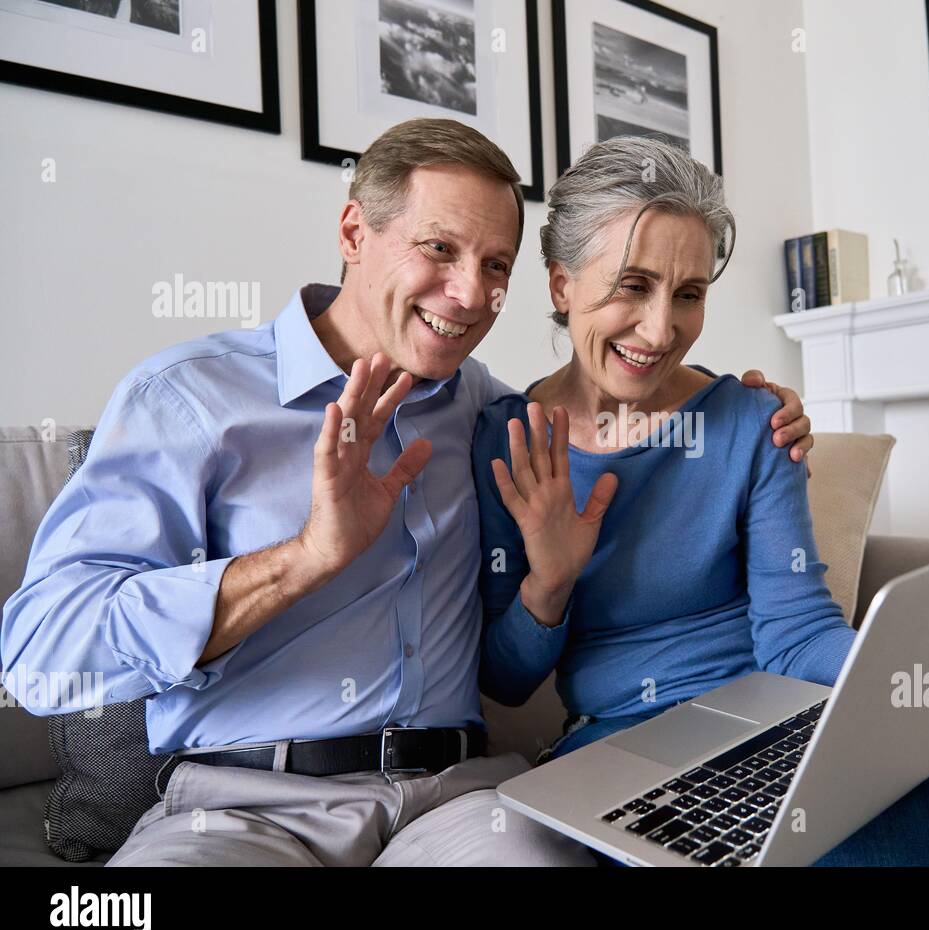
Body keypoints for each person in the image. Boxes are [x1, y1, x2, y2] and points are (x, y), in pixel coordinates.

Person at [0, 118, 813, 867]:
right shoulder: (189, 399)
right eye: (439, 249)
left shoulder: (490, 414)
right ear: (355, 232)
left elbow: (619, 393)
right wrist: (302, 560)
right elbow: (39, 656)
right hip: (243, 808)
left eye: (495, 266)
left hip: (456, 804)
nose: (468, 295)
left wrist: (752, 407)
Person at [473, 136, 929, 866]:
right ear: (562, 284)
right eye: (633, 285)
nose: (662, 330)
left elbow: (797, 635)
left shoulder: (754, 421)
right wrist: (549, 583)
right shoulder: (506, 441)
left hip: (780, 715)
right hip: (617, 737)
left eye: (688, 294)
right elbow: (504, 680)